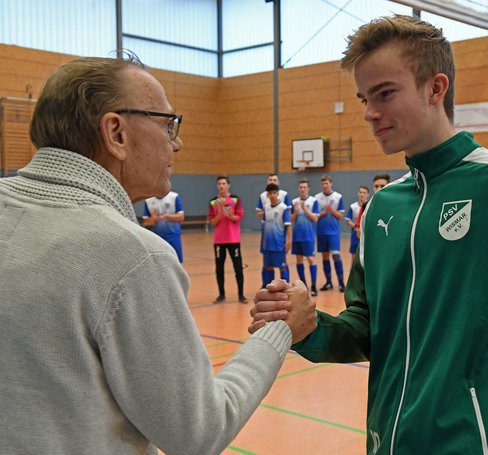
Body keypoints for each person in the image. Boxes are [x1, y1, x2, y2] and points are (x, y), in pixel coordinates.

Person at [250, 15, 488, 454]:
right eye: (364, 98)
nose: (369, 113)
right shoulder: (382, 207)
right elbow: (367, 328)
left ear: (435, 88)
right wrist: (309, 329)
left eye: (385, 93)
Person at [0, 55, 317, 454]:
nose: (177, 142)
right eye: (168, 125)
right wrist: (282, 328)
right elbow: (199, 431)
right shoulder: (131, 256)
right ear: (116, 133)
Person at [208, 175, 246, 303]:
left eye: (224, 183)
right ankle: (221, 294)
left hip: (233, 239)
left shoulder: (235, 199)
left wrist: (229, 215)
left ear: (228, 185)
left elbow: (238, 218)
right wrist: (220, 212)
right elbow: (213, 222)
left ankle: (241, 295)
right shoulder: (213, 202)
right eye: (219, 184)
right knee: (219, 269)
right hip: (219, 241)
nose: (221, 186)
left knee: (238, 268)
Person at [256, 173, 292, 286]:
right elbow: (265, 224)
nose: (272, 195)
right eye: (270, 193)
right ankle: (268, 287)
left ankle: (285, 287)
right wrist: (263, 242)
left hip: (279, 243)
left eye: (274, 193)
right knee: (268, 266)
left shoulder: (283, 208)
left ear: (277, 194)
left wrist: (289, 241)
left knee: (282, 266)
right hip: (268, 244)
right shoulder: (266, 208)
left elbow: (288, 225)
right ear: (268, 194)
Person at [315, 174, 346, 292]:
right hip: (321, 231)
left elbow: (340, 216)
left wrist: (331, 210)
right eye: (322, 183)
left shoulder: (338, 197)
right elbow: (315, 216)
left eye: (326, 183)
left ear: (331, 184)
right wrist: (323, 213)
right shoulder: (316, 198)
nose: (324, 185)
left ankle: (341, 282)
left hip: (333, 232)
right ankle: (328, 282)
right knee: (325, 256)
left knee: (336, 255)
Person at [291, 179, 320, 296]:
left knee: (310, 260)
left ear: (308, 188)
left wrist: (305, 209)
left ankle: (313, 286)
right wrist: (296, 212)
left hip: (308, 236)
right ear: (298, 189)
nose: (302, 189)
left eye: (304, 187)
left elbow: (315, 218)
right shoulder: (294, 202)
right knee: (298, 260)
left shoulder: (313, 201)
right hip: (297, 236)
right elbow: (291, 219)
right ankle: (304, 286)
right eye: (301, 187)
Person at [143, 190, 185, 263]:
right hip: (157, 237)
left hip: (173, 235)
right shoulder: (148, 200)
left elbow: (181, 217)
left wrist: (166, 216)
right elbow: (146, 220)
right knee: (160, 262)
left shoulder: (174, 196)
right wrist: (153, 218)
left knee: (177, 261)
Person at [355, 173, 389, 238]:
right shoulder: (365, 206)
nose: (379, 189)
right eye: (376, 186)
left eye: (382, 186)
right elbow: (358, 230)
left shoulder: (394, 206)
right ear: (373, 188)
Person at [345, 185, 369, 261]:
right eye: (361, 192)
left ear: (367, 194)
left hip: (367, 235)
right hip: (355, 235)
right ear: (358, 194)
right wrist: (357, 227)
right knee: (354, 256)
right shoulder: (353, 206)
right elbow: (348, 220)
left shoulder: (370, 206)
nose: (362, 194)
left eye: (364, 193)